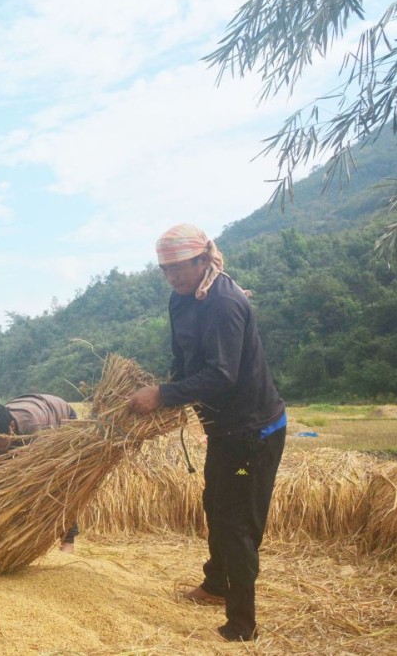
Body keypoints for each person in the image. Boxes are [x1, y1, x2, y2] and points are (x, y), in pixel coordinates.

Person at [128, 223, 286, 643]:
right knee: (214, 504)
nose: (172, 277)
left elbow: (220, 374)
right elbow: (185, 359)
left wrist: (163, 395)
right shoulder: (181, 301)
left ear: (202, 260)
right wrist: (168, 393)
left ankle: (242, 624)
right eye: (165, 269)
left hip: (254, 431)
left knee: (236, 523)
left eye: (179, 267)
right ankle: (216, 585)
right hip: (223, 430)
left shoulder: (223, 304)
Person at [0, 393, 81, 551]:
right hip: (28, 418)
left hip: (60, 417)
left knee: (62, 483)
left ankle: (67, 540)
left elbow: (41, 476)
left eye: (0, 440)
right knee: (2, 482)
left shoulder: (34, 430)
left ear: (12, 427)